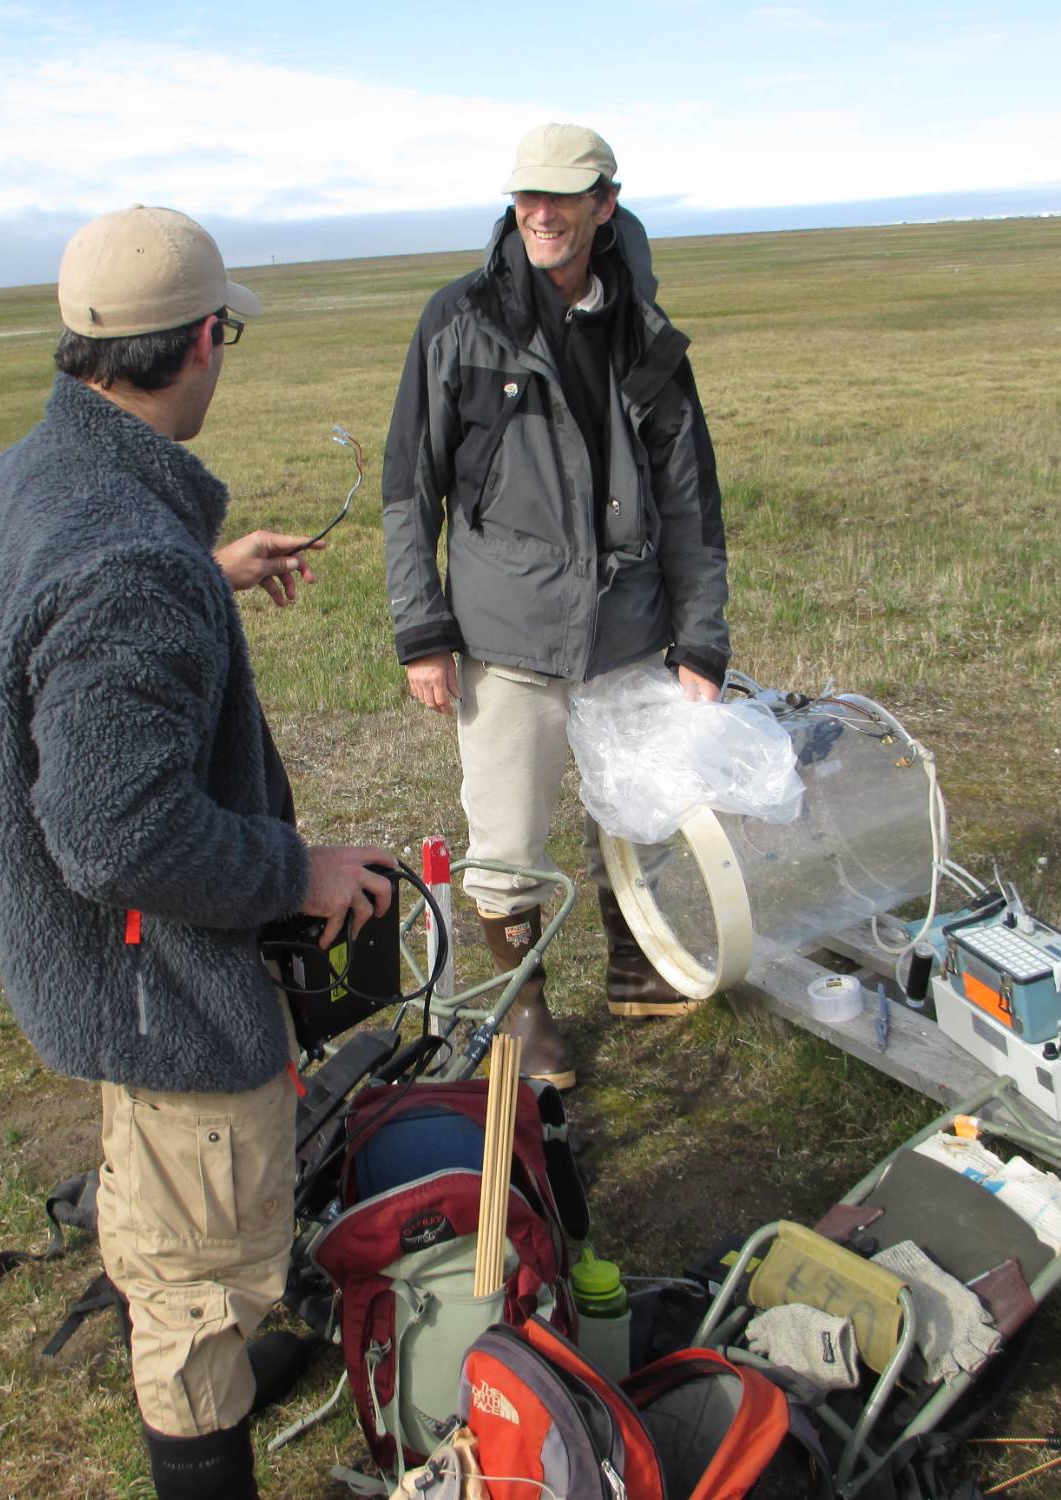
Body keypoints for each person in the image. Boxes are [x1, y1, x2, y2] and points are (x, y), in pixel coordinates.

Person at [0, 205, 392, 1499]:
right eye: (223, 340)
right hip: (165, 990)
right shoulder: (131, 566)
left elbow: (57, 618)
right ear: (203, 340)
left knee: (176, 1219)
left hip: (112, 973)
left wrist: (206, 572)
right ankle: (210, 1427)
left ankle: (233, 1352)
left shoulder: (23, 483)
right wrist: (299, 873)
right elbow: (115, 830)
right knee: (193, 1292)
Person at [381, 124, 730, 1089]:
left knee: (639, 811)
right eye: (526, 196)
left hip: (631, 628)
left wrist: (701, 639)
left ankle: (637, 962)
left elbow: (690, 499)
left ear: (603, 204)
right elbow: (410, 485)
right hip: (509, 634)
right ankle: (524, 1012)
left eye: (562, 198)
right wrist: (422, 630)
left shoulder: (646, 331)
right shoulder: (459, 320)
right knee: (505, 841)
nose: (540, 214)